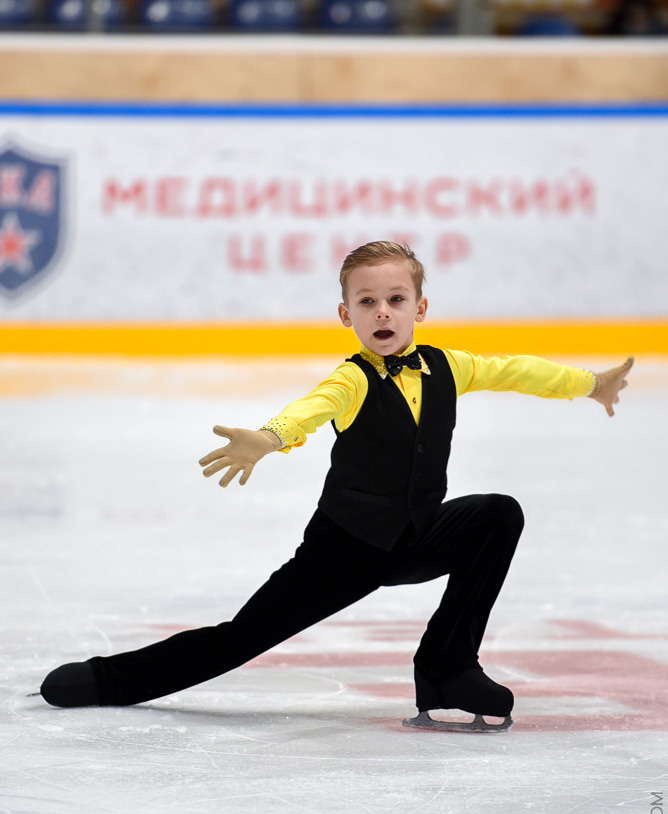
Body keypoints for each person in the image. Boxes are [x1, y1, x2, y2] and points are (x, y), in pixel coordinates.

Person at [40, 241, 633, 732]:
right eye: (367, 302)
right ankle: (106, 679)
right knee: (239, 639)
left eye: (395, 300)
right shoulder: (351, 381)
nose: (383, 313)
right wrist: (268, 438)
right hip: (345, 551)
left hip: (415, 537)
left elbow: (516, 370)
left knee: (497, 514)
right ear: (346, 314)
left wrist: (590, 384)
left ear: (420, 308)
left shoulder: (449, 366)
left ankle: (448, 668)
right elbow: (309, 410)